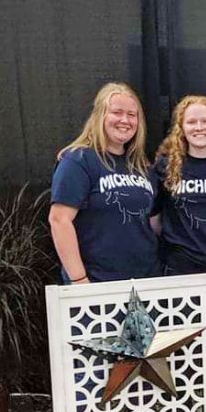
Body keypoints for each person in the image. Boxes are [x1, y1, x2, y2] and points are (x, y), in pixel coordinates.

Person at [49, 82, 159, 283]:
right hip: (97, 282)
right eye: (117, 112)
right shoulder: (78, 160)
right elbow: (59, 220)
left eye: (132, 115)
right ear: (100, 116)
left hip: (145, 280)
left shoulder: (143, 167)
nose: (124, 120)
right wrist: (79, 280)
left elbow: (153, 222)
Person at [151, 95, 206, 274]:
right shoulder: (165, 166)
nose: (199, 127)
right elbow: (154, 218)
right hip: (180, 267)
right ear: (181, 129)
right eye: (191, 122)